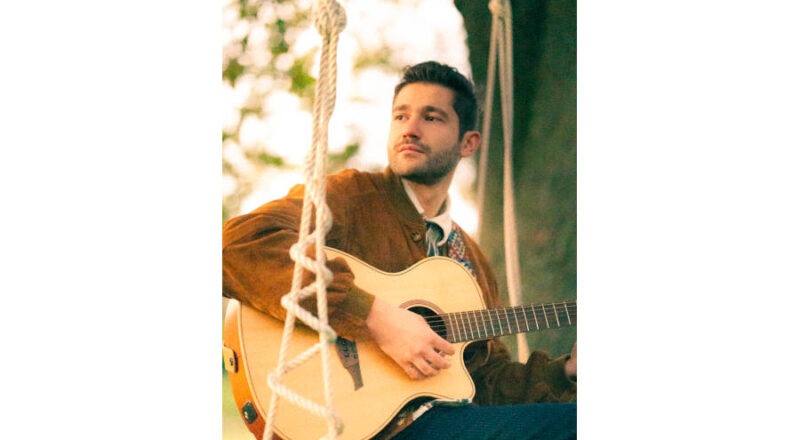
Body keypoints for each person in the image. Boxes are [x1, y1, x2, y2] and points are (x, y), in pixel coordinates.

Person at [223, 60, 577, 439]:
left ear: (468, 142)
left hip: (446, 422)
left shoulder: (470, 258)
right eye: (400, 116)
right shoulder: (351, 196)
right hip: (360, 425)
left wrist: (565, 372)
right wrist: (377, 318)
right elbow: (237, 244)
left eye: (432, 117)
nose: (410, 129)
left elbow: (484, 379)